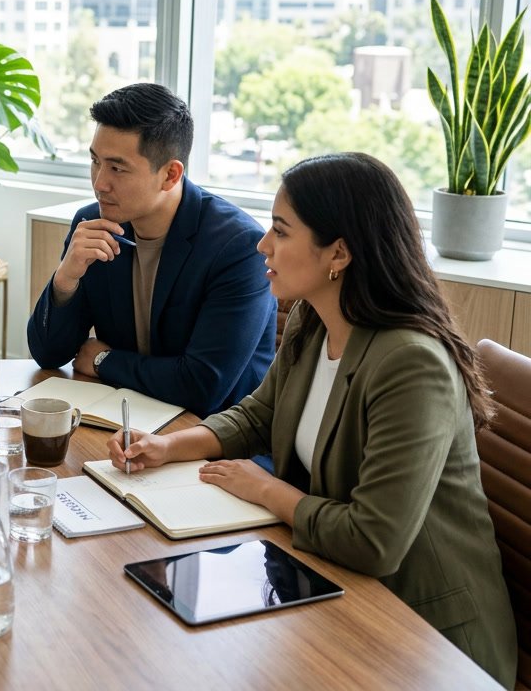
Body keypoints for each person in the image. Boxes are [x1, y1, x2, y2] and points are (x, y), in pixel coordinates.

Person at [108, 152, 516, 687]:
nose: (263, 245)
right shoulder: (314, 318)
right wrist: (170, 445)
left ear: (338, 254)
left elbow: (375, 541)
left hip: (427, 636)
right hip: (334, 584)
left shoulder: (412, 364)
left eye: (281, 231)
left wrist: (267, 490)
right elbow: (260, 414)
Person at [27, 82, 276, 416]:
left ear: (170, 175)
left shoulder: (239, 247)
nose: (99, 183)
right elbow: (49, 354)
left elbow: (203, 387)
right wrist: (65, 279)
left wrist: (103, 360)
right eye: (95, 161)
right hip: (126, 418)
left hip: (216, 441)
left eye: (117, 168)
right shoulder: (93, 224)